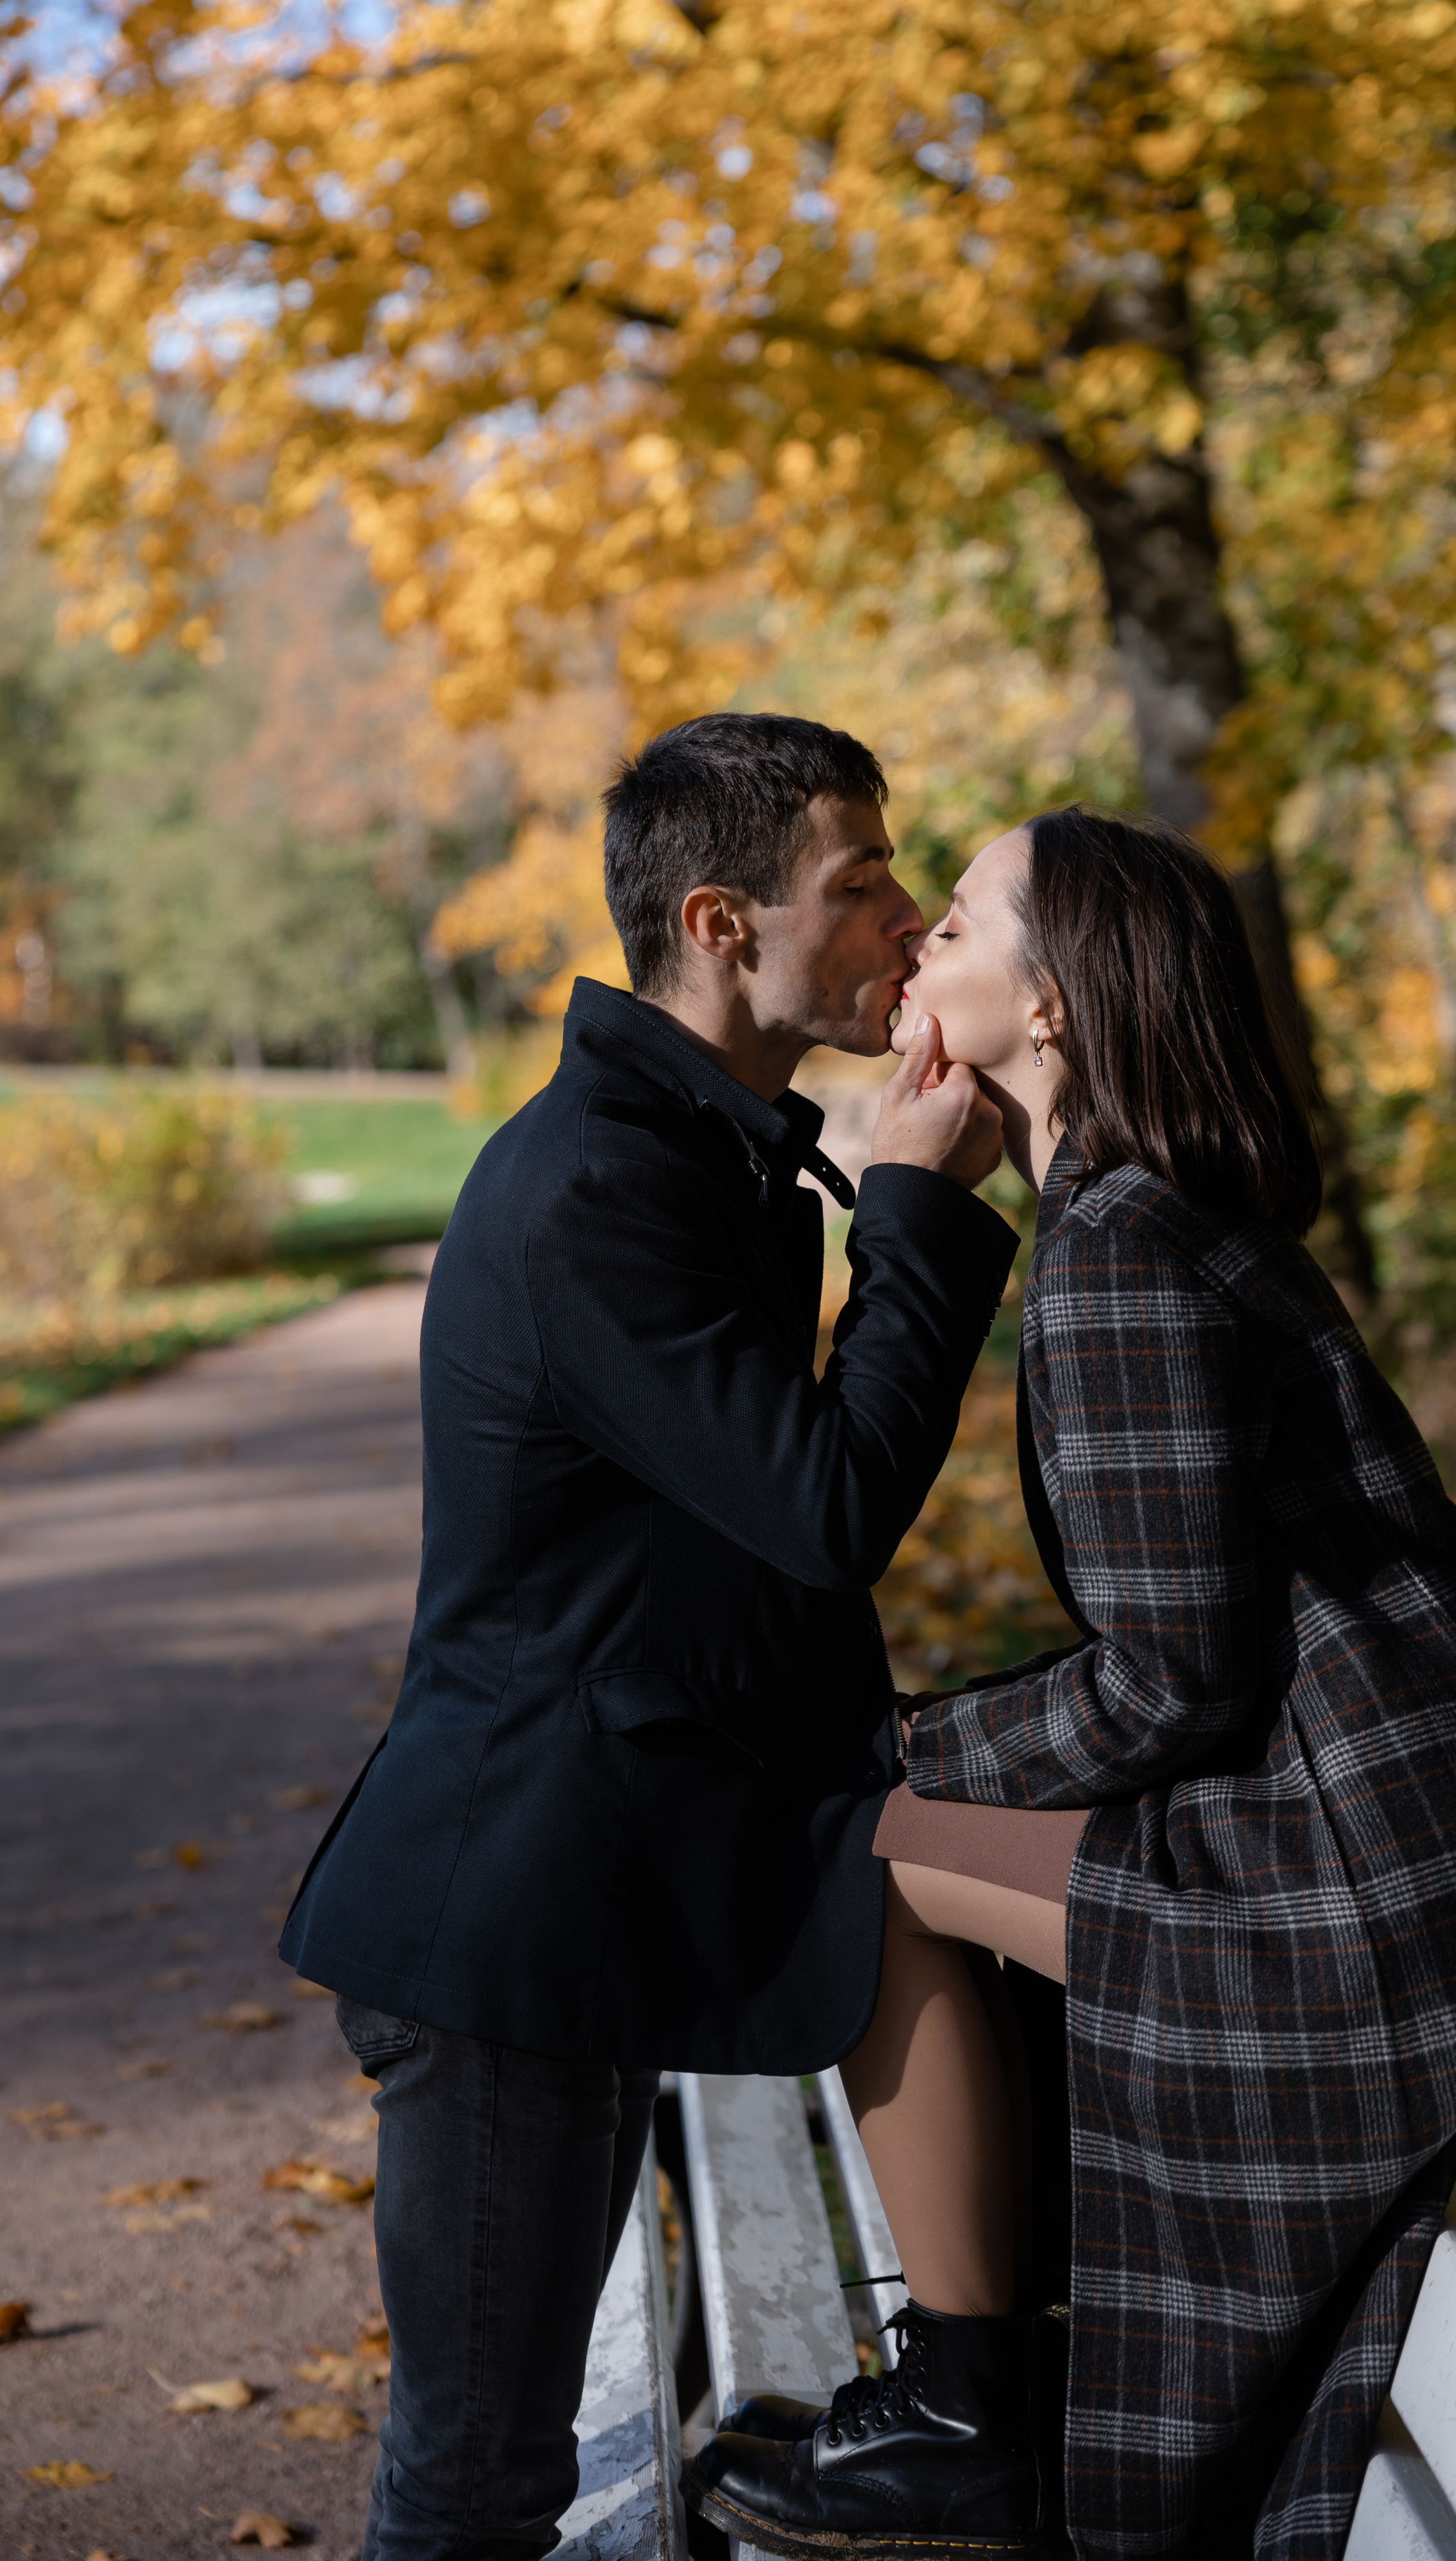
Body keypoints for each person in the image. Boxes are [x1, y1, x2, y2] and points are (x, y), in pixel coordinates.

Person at [687, 808, 1456, 2561]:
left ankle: (964, 2414)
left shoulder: (1118, 1255)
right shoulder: (1145, 1212)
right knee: (889, 1819)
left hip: (1368, 1889)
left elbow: (1167, 1687)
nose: (915, 944)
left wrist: (909, 1740)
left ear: (1051, 1005)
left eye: (958, 923)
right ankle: (981, 2373)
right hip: (1438, 1844)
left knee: (849, 1849)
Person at [279, 713, 1021, 2561]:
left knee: (489, 2475)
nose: (907, 923)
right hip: (505, 1928)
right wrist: (921, 1208)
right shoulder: (607, 1188)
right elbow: (829, 1510)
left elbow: (753, 1573)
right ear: (720, 921)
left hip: (593, 1893)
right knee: (477, 2485)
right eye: (861, 885)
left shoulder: (696, 1158)